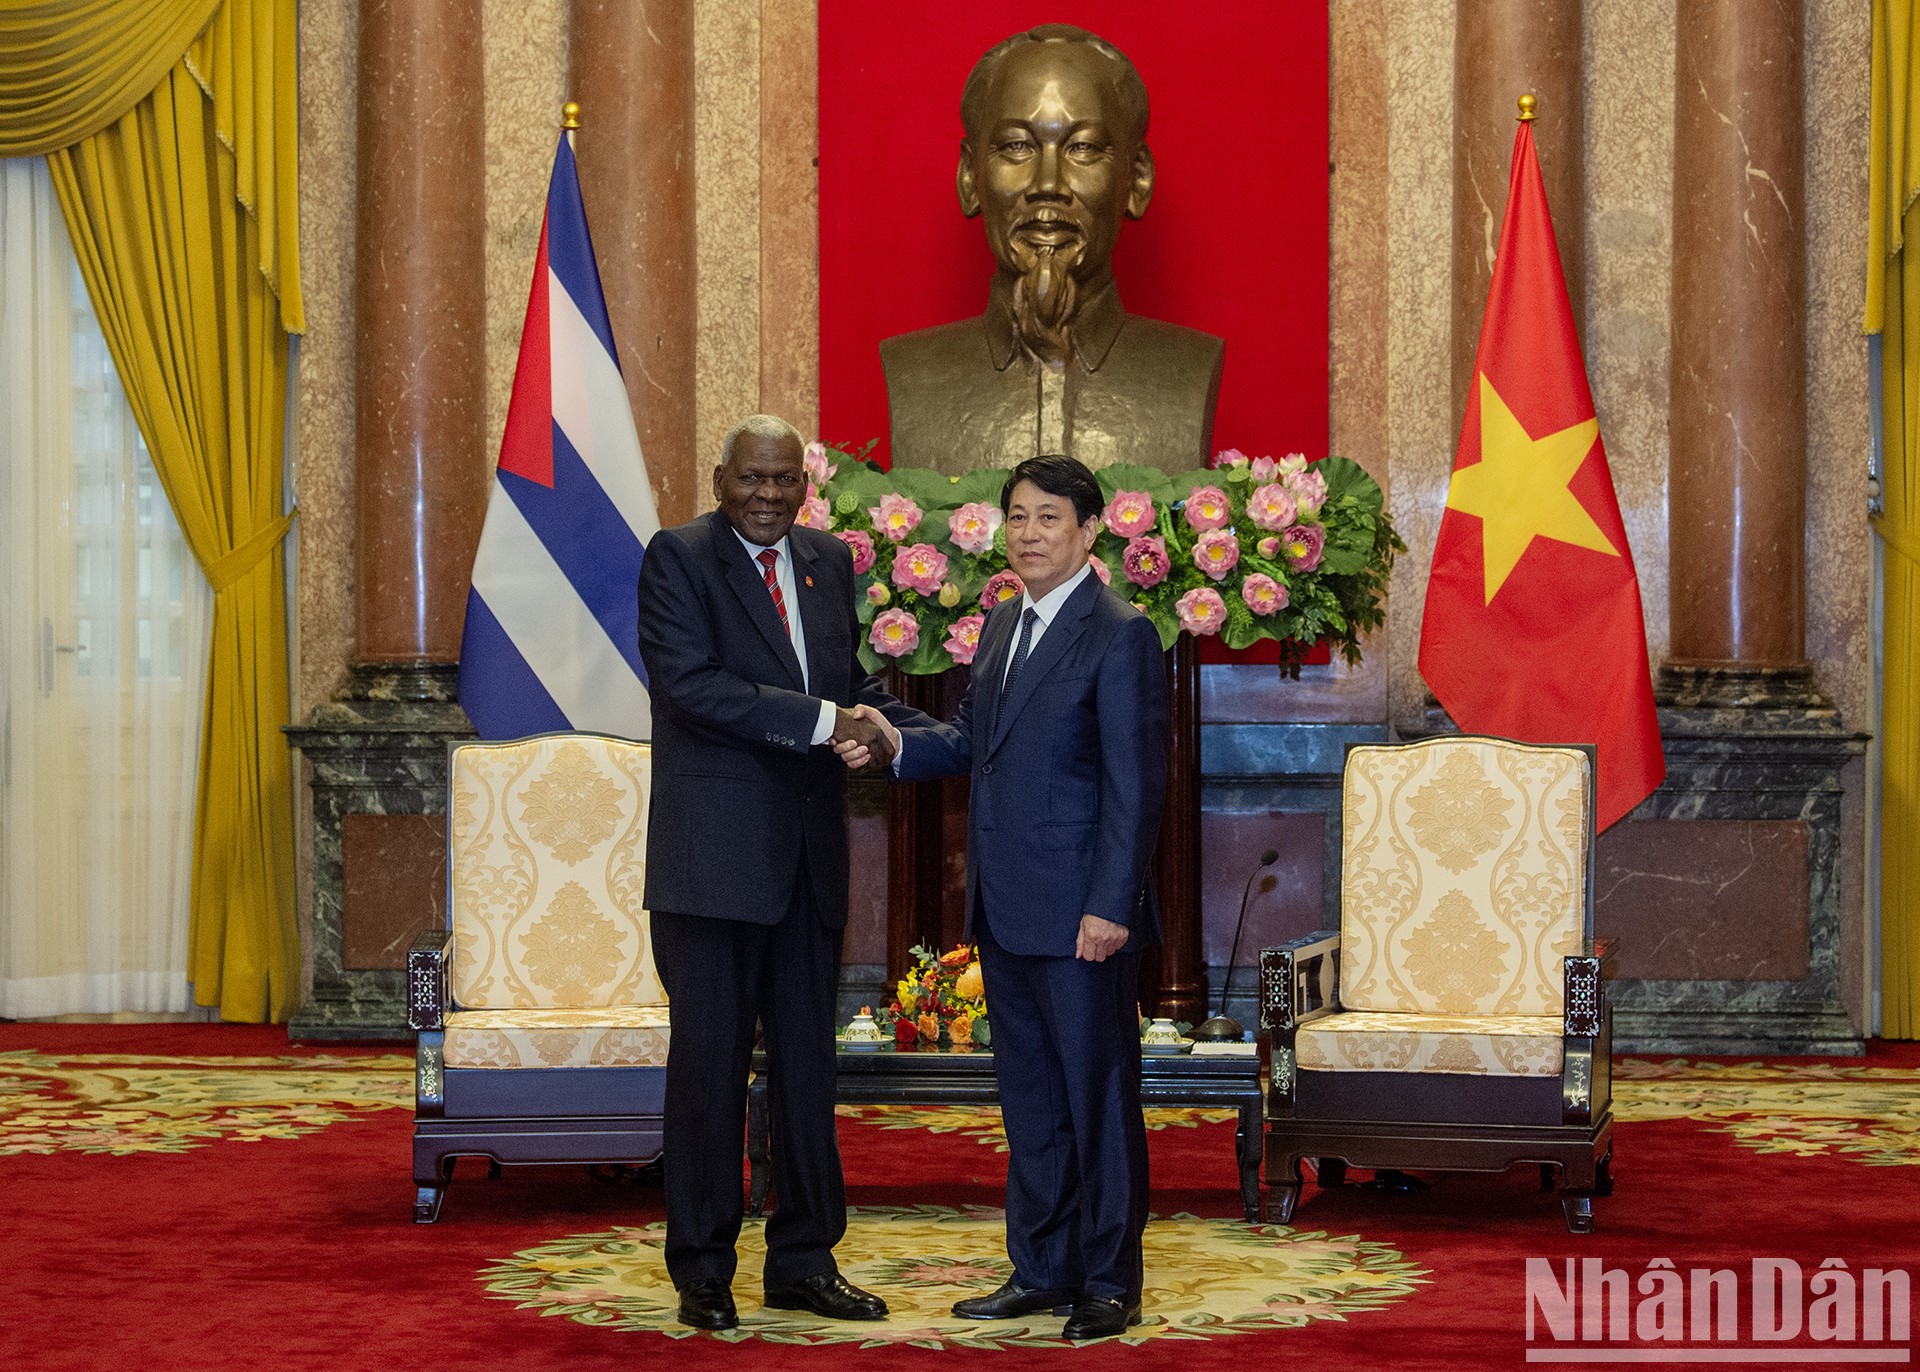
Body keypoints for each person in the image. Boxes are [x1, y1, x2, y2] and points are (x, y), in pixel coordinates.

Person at [842, 454, 1170, 1340]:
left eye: (1049, 519)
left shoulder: (1120, 632)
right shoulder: (1001, 626)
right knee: (1029, 1103)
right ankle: (1041, 1269)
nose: (1029, 534)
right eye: (1018, 518)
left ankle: (1108, 1281)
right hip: (1006, 906)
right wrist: (891, 737)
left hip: (1083, 919)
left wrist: (1111, 906)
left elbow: (1136, 789)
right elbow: (973, 743)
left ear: (1090, 531)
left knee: (1097, 1101)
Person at [636, 414, 922, 1331]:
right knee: (711, 1074)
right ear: (721, 479)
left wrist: (893, 729)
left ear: (808, 484)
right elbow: (692, 685)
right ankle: (703, 1271)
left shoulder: (828, 561)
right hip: (711, 870)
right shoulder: (677, 558)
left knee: (808, 1074)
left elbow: (848, 679)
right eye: (752, 478)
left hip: (807, 866)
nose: (769, 495)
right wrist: (827, 720)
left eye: (785, 479)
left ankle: (803, 1259)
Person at [881, 25, 1222, 474]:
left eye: (1082, 148)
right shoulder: (914, 372)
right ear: (970, 176)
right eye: (1017, 146)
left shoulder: (1189, 369)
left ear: (1136, 180)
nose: (1047, 185)